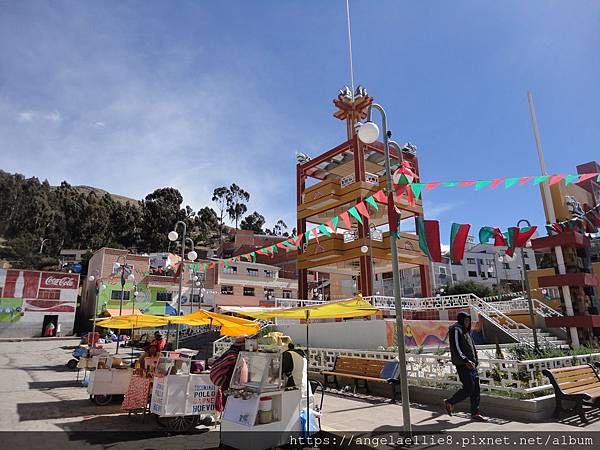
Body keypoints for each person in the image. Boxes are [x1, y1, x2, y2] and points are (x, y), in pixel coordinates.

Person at [444, 312, 487, 422]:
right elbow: (457, 347)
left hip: (472, 365)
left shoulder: (466, 332)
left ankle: (475, 412)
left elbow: (471, 347)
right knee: (469, 388)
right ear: (461, 320)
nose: (468, 323)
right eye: (466, 320)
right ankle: (450, 402)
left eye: (469, 320)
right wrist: (465, 360)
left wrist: (475, 360)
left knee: (476, 389)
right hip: (463, 365)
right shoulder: (456, 329)